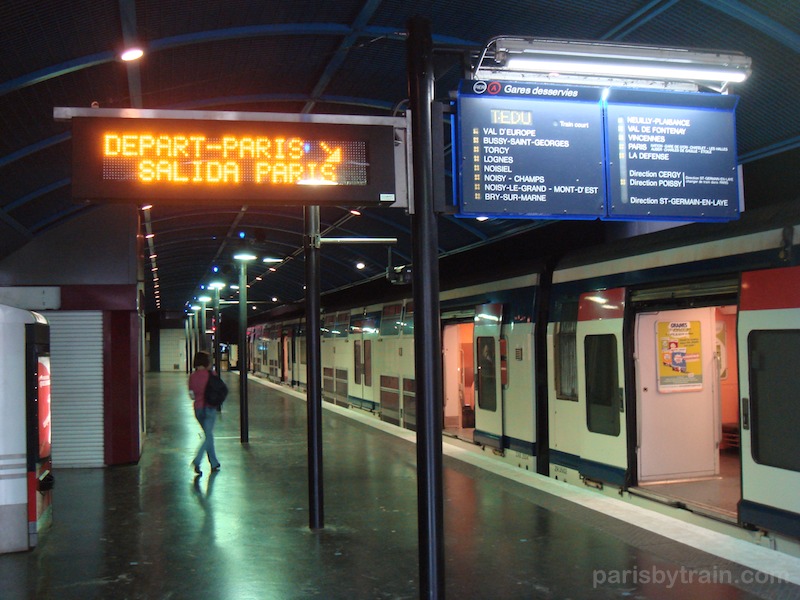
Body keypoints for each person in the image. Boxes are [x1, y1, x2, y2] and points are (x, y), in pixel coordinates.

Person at [188, 350, 221, 475]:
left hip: (198, 409)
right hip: (210, 409)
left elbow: (191, 396)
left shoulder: (192, 376)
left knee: (209, 435)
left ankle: (214, 462)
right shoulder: (212, 374)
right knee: (208, 436)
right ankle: (197, 460)